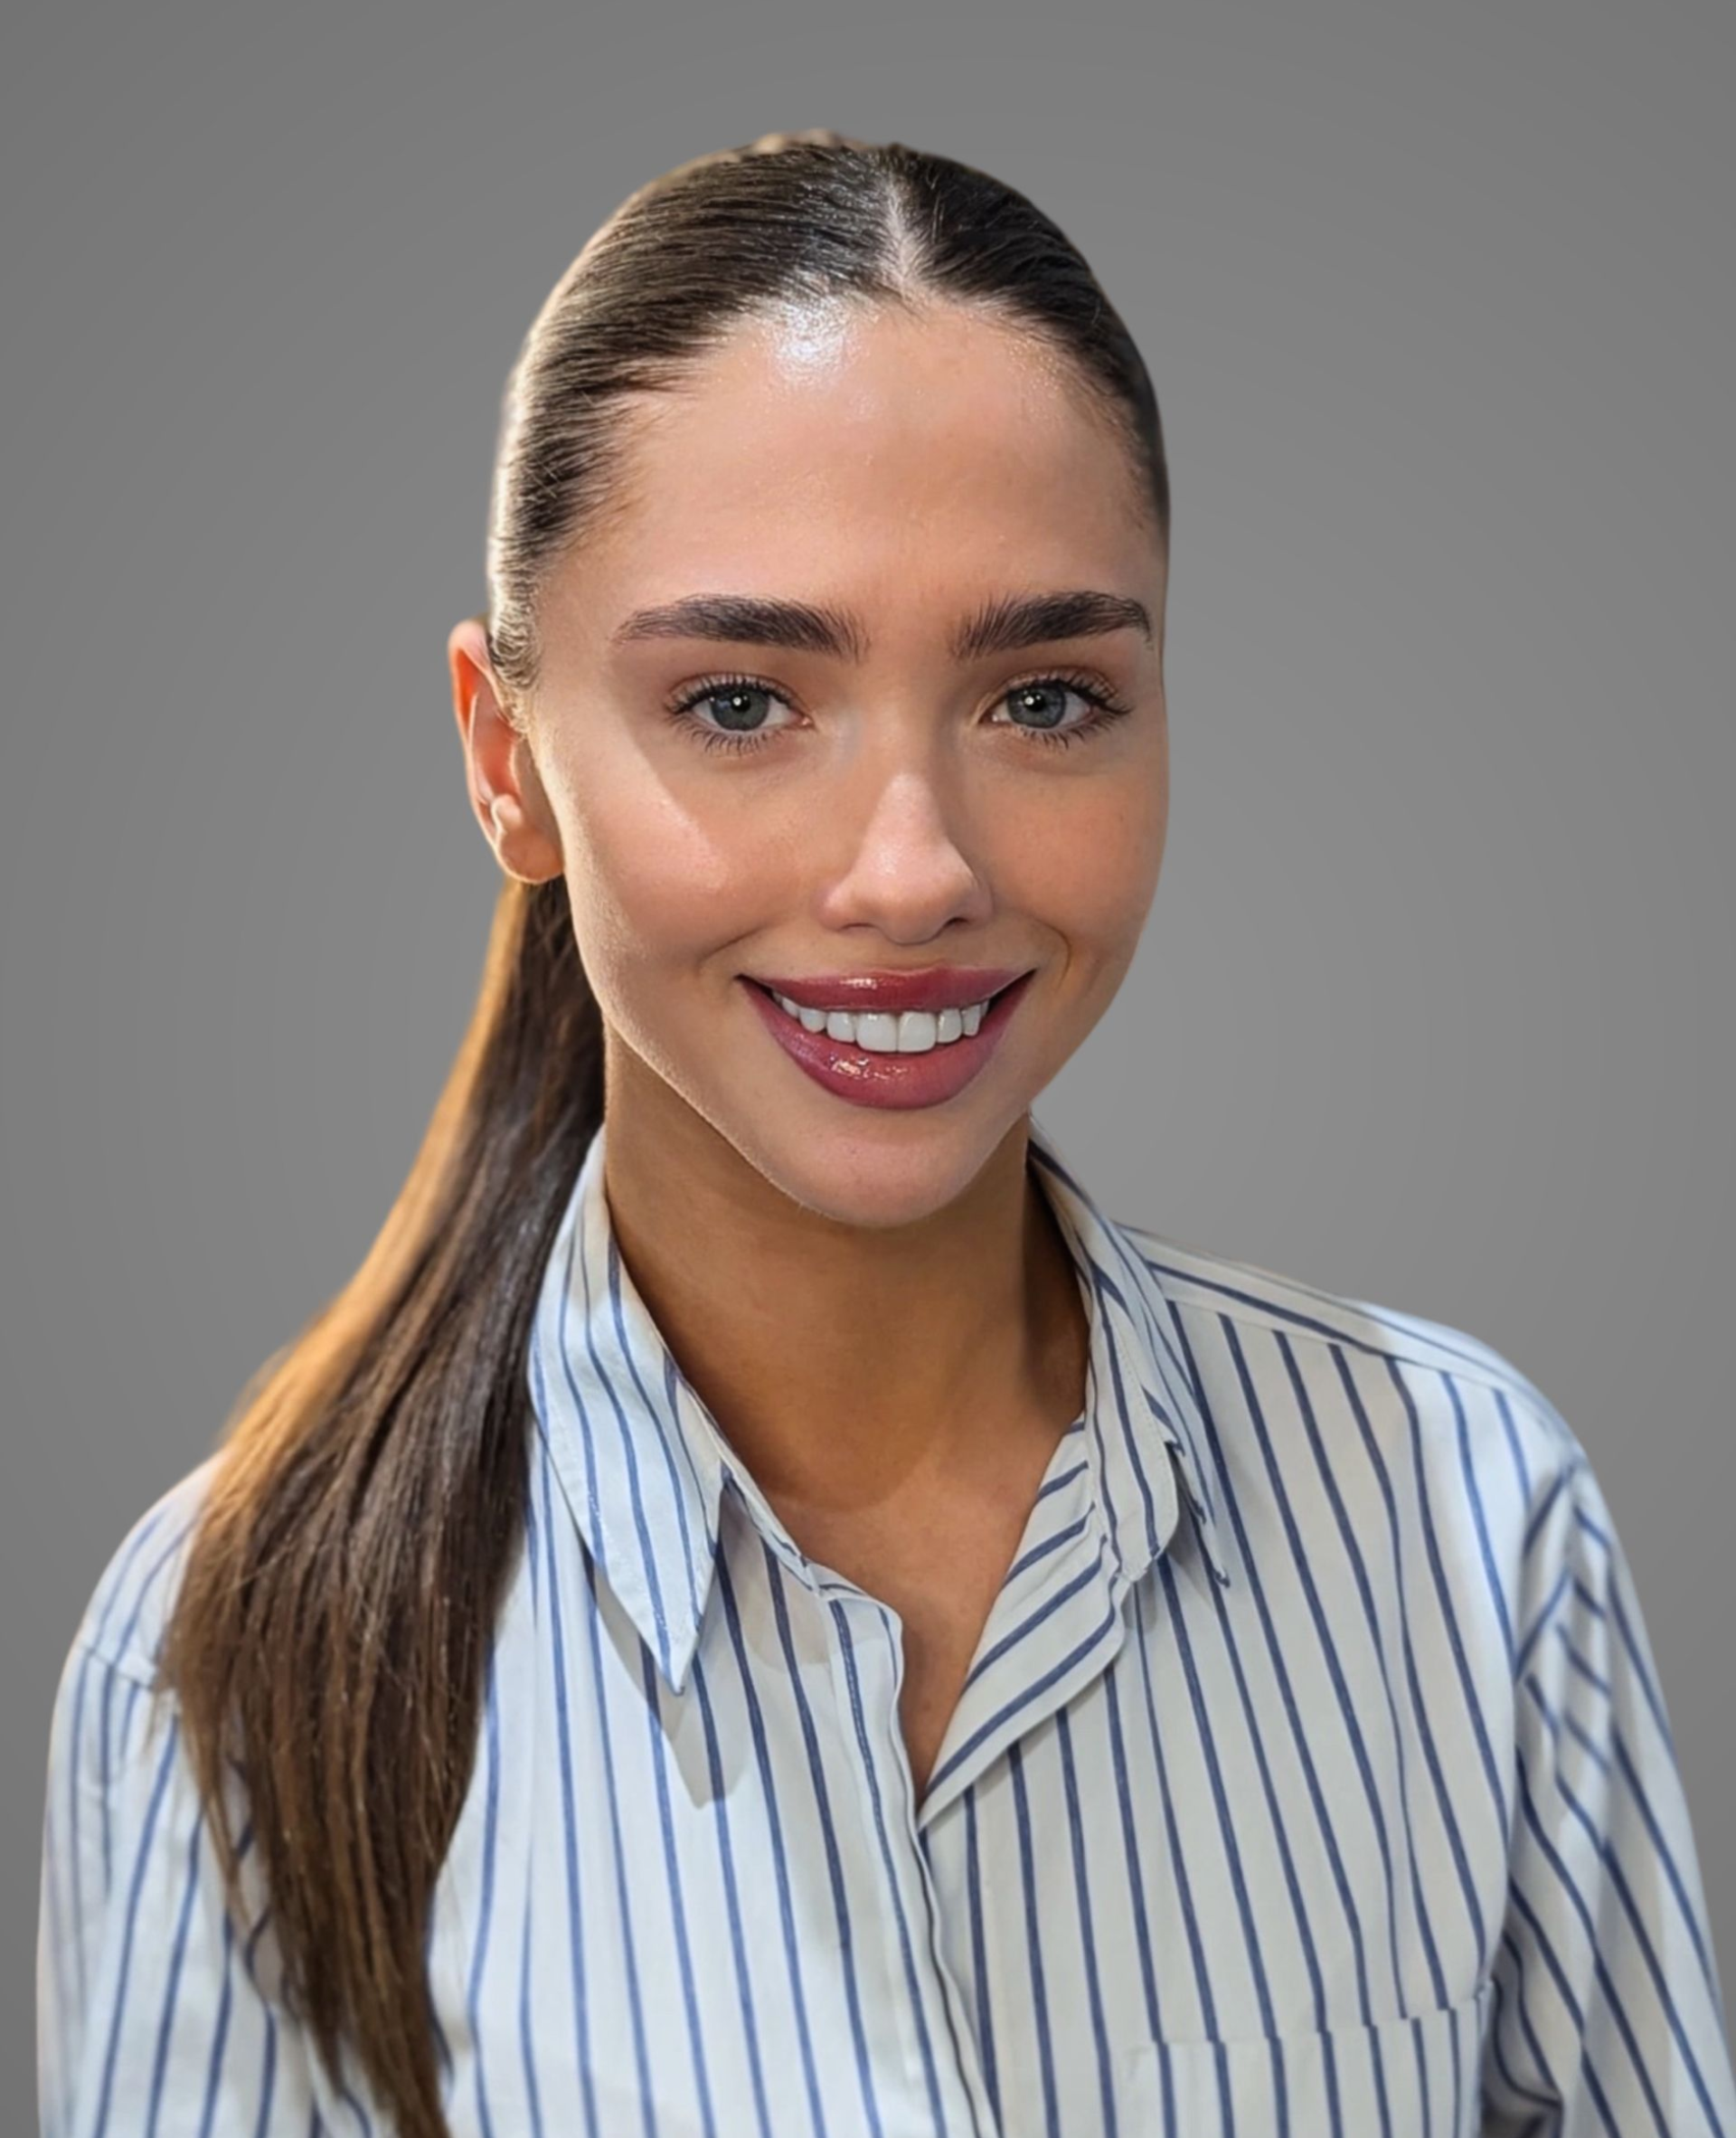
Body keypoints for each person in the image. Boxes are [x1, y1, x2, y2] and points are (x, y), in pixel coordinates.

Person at [35, 129, 1735, 2138]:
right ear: (508, 764)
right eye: (743, 702)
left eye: (1045, 700)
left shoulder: (1473, 1527)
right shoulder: (223, 1660)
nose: (912, 871)